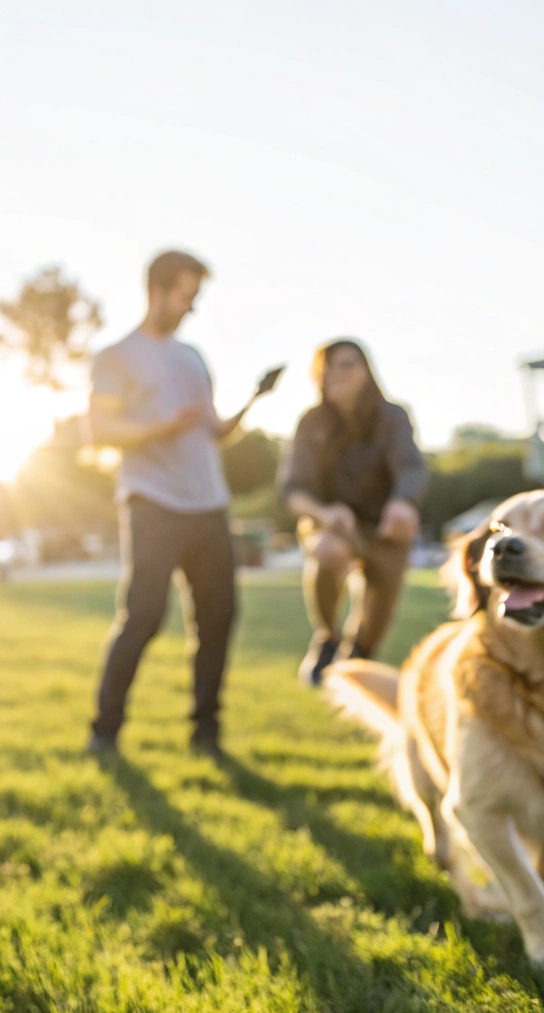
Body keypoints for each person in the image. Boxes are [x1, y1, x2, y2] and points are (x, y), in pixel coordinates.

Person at [87, 251, 256, 757]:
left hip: (208, 502)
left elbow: (213, 430)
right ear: (156, 291)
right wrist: (158, 427)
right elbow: (100, 430)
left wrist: (252, 403)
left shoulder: (193, 358)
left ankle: (206, 733)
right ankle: (105, 731)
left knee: (219, 617)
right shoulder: (117, 356)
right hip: (153, 500)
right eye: (186, 296)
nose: (190, 308)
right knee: (142, 615)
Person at [283, 337, 427, 686]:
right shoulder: (312, 421)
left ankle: (359, 653)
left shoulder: (392, 416)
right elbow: (292, 490)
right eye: (327, 366)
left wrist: (403, 503)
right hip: (335, 523)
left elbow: (411, 466)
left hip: (385, 525)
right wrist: (323, 513)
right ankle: (327, 638)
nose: (336, 372)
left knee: (377, 615)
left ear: (366, 371)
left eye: (347, 364)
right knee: (329, 551)